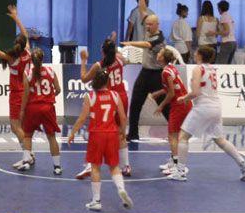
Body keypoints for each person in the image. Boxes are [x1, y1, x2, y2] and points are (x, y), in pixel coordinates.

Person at [178, 45, 245, 180]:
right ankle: (243, 163)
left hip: (203, 107)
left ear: (200, 55)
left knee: (183, 137)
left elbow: (196, 92)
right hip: (216, 107)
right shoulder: (212, 68)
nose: (194, 55)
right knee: (220, 140)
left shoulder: (197, 69)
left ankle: (180, 171)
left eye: (196, 53)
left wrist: (184, 98)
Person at [67, 70, 133, 212]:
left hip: (97, 135)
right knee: (114, 166)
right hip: (112, 134)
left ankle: (96, 200)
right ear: (107, 82)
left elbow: (82, 118)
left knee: (95, 167)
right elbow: (122, 117)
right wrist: (122, 131)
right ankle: (121, 189)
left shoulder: (90, 96)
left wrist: (72, 133)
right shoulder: (115, 95)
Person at [0, 5, 35, 171]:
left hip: (17, 94)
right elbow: (25, 34)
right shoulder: (28, 52)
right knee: (22, 127)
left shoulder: (11, 57)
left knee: (15, 127)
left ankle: (26, 157)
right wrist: (16, 17)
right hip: (28, 94)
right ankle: (29, 154)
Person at [77, 35, 130, 179]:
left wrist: (83, 61)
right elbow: (126, 60)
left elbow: (83, 78)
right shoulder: (119, 59)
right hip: (122, 97)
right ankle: (126, 166)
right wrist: (113, 44)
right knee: (120, 133)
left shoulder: (98, 66)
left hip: (107, 99)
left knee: (98, 131)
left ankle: (91, 164)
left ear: (102, 52)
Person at [122, 13, 167, 142]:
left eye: (150, 24)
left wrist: (130, 43)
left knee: (165, 106)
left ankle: (175, 131)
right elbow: (142, 10)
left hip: (157, 75)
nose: (147, 26)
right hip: (145, 73)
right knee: (135, 103)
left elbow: (147, 45)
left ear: (157, 25)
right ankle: (133, 134)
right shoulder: (148, 31)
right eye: (146, 24)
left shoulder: (159, 38)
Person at [150, 48, 192, 181]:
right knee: (176, 135)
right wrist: (157, 93)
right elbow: (170, 88)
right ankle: (175, 161)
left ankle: (176, 165)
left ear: (162, 58)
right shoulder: (171, 68)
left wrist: (161, 106)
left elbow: (172, 93)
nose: (157, 54)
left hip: (179, 104)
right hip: (184, 103)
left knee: (172, 135)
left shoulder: (165, 72)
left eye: (159, 53)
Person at [19, 48, 63, 175]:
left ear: (31, 60)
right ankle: (57, 166)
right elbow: (58, 89)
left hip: (33, 108)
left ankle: (27, 162)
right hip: (48, 108)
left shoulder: (27, 73)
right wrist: (49, 96)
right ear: (43, 58)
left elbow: (26, 94)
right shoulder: (50, 71)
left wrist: (22, 110)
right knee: (51, 137)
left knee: (28, 135)